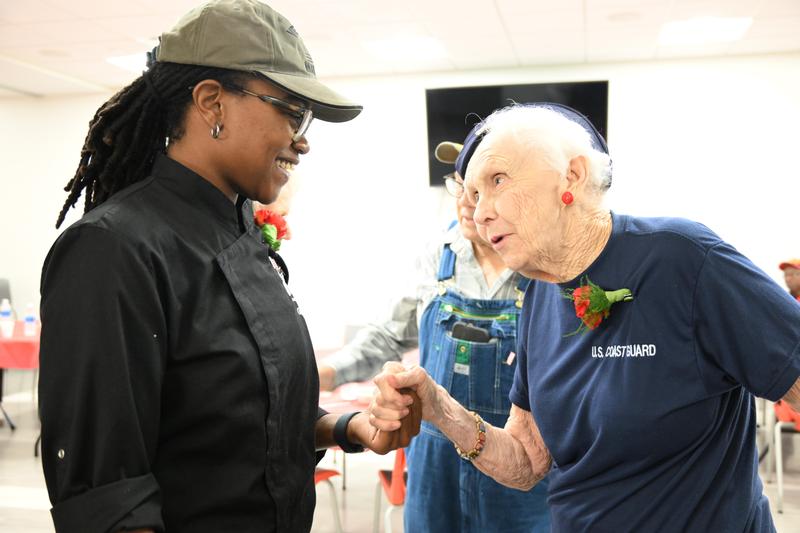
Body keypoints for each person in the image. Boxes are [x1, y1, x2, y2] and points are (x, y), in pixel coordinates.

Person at [37, 2, 418, 533]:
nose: (303, 139)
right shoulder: (114, 249)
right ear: (212, 102)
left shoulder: (240, 231)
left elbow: (239, 418)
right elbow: (110, 497)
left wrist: (349, 428)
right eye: (292, 111)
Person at [369, 103, 800, 532]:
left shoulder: (683, 258)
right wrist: (440, 408)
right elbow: (528, 460)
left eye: (497, 180)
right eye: (475, 195)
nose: (479, 212)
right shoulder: (538, 295)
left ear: (571, 176)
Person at [318, 129, 550, 532]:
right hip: (436, 467)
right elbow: (390, 334)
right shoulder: (436, 257)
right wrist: (325, 374)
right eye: (460, 185)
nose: (466, 202)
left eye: (482, 188)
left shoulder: (545, 269)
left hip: (519, 468)